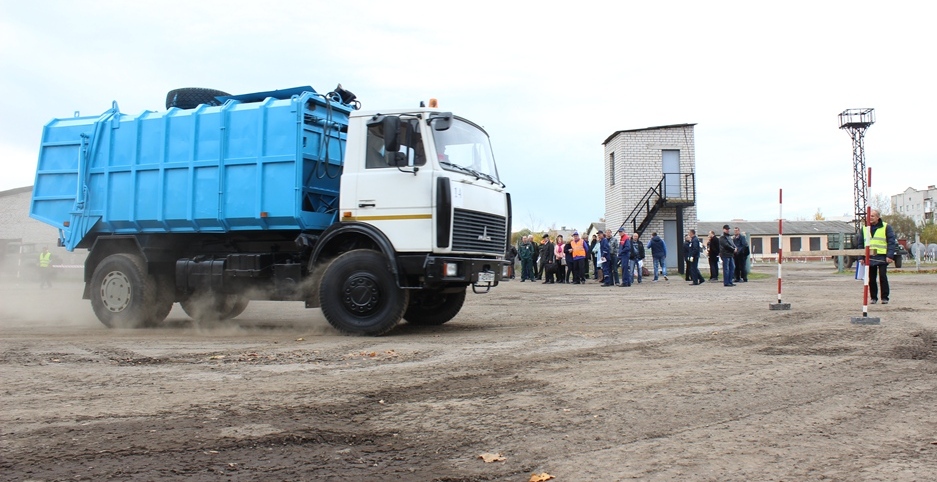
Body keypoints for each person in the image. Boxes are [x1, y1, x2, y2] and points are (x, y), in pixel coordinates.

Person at [858, 209, 898, 304]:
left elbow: (891, 242)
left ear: (878, 217)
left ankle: (884, 297)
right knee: (871, 278)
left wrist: (890, 255)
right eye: (869, 216)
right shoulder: (864, 228)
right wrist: (861, 257)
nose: (870, 218)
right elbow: (860, 243)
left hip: (882, 256)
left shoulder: (886, 227)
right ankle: (873, 298)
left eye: (872, 216)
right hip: (870, 257)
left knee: (882, 277)